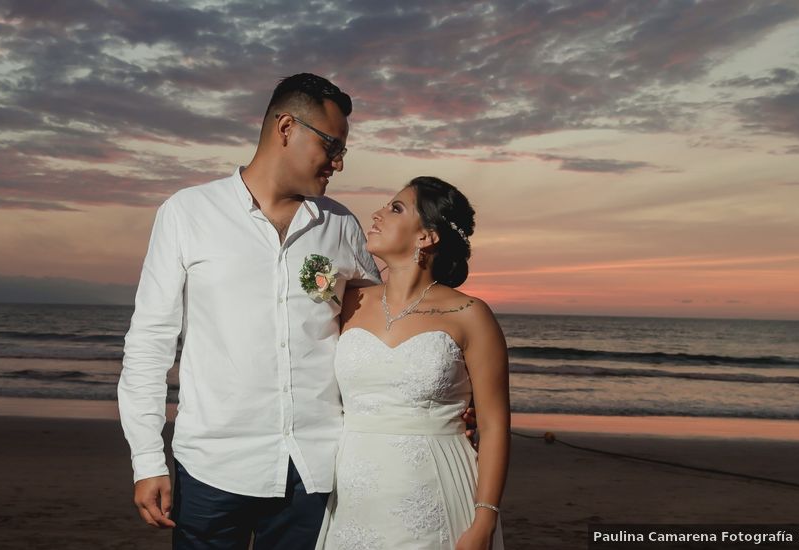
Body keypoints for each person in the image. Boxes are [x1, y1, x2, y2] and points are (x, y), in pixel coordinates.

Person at [117, 73, 382, 549]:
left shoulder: (341, 226)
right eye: (332, 145)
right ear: (286, 128)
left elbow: (377, 333)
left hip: (317, 466)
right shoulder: (187, 213)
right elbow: (150, 342)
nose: (339, 163)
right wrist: (147, 460)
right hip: (214, 466)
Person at [317, 176, 510, 550]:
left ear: (426, 236)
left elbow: (494, 424)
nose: (377, 214)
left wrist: (485, 518)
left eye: (395, 208)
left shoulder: (471, 315)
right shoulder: (347, 300)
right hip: (354, 493)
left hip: (436, 486)